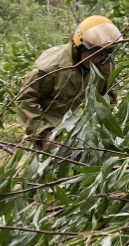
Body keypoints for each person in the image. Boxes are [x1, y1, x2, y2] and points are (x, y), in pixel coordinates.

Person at [16, 15, 122, 149]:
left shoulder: (106, 66)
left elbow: (109, 96)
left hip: (85, 132)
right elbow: (25, 100)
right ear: (80, 47)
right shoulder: (50, 68)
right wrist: (43, 134)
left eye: (105, 53)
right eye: (95, 52)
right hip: (53, 129)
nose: (99, 58)